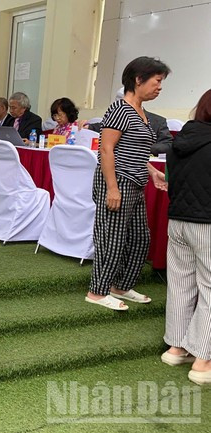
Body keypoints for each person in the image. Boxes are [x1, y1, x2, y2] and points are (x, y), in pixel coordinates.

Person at [85, 56, 170, 310]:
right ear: (138, 79)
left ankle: (120, 286)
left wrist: (152, 171)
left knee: (139, 239)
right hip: (118, 181)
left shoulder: (140, 112)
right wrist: (112, 188)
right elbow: (107, 150)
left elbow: (132, 151)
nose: (159, 87)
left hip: (135, 182)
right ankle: (97, 291)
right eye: (157, 81)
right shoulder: (120, 109)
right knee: (111, 239)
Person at [162, 88, 211, 385]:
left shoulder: (180, 141)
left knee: (180, 285)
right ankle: (203, 361)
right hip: (206, 225)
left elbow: (171, 181)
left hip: (178, 221)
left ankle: (176, 348)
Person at [85, 87, 173, 155]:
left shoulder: (158, 121)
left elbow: (168, 144)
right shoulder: (113, 120)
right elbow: (97, 128)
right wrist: (86, 125)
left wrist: (142, 149)